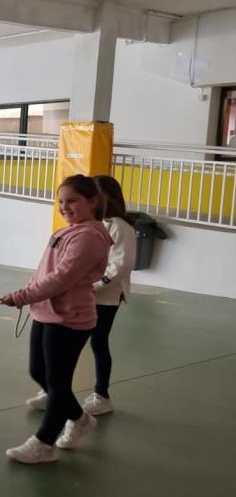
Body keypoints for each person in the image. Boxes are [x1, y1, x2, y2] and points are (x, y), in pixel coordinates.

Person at [1, 174, 112, 463]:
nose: (64, 207)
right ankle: (79, 419)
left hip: (69, 319)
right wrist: (26, 293)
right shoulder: (69, 231)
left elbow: (62, 278)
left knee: (58, 382)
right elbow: (45, 271)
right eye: (61, 201)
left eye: (72, 201)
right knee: (39, 372)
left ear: (92, 201)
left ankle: (44, 443)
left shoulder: (89, 237)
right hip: (47, 312)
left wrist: (23, 296)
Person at [83, 175, 137, 415]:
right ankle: (53, 389)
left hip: (106, 295)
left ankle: (102, 396)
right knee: (71, 341)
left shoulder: (119, 225)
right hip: (88, 292)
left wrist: (94, 285)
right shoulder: (95, 223)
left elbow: (120, 264)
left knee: (98, 341)